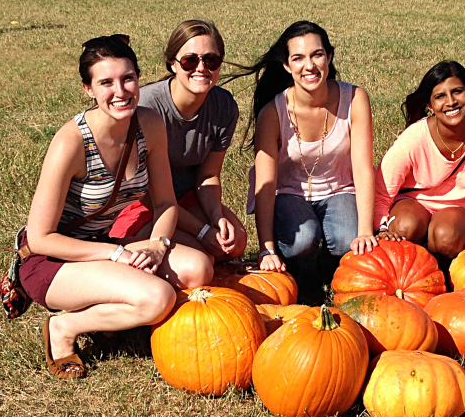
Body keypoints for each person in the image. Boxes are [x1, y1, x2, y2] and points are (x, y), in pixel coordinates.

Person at [21, 35, 213, 379]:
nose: (120, 91)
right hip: (51, 260)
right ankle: (64, 327)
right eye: (106, 83)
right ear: (88, 89)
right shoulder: (71, 142)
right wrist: (116, 254)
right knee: (157, 298)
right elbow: (40, 239)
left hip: (104, 243)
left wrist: (158, 245)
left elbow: (165, 202)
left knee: (198, 268)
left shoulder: (149, 124)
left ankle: (109, 314)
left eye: (127, 78)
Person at [241, 21, 377, 298]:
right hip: (288, 193)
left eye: (317, 55)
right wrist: (266, 248)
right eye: (298, 58)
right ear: (286, 65)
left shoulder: (355, 99)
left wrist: (365, 231)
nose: (309, 66)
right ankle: (303, 276)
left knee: (347, 239)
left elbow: (363, 168)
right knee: (301, 240)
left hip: (340, 189)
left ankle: (329, 269)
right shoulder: (273, 113)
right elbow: (265, 185)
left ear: (329, 56)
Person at [110, 20, 247, 262]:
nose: (201, 68)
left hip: (185, 198)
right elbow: (145, 193)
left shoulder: (224, 106)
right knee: (201, 258)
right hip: (143, 203)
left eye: (210, 60)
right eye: (190, 61)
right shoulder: (147, 107)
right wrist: (202, 231)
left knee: (235, 244)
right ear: (173, 63)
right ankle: (129, 244)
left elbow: (208, 175)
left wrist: (216, 217)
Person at [374, 61, 465, 262]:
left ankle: (447, 267)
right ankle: (415, 267)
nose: (451, 102)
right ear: (430, 106)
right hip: (413, 203)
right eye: (440, 96)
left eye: (457, 91)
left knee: (445, 236)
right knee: (404, 227)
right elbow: (383, 190)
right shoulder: (414, 137)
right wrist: (381, 228)